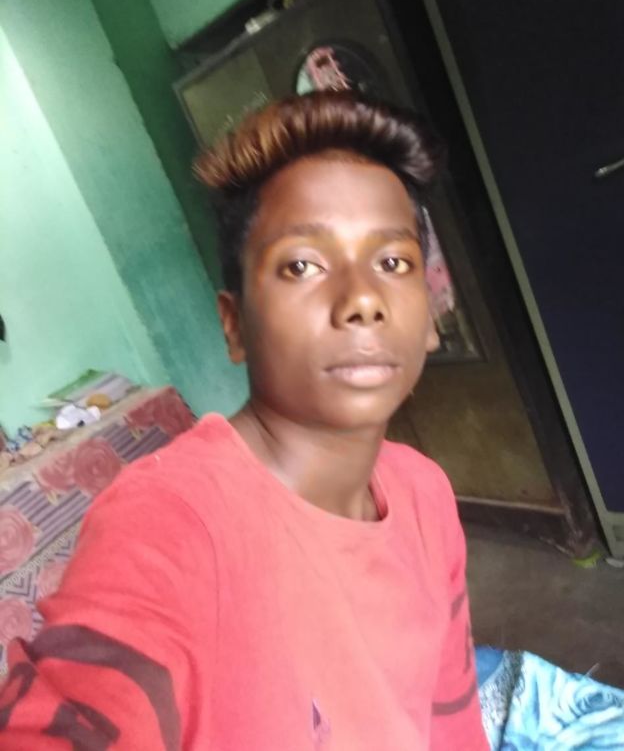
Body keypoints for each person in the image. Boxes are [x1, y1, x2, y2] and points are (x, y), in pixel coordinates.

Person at [0, 92, 488, 750]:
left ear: (429, 314)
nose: (362, 299)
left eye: (392, 263)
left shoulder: (425, 492)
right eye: (303, 265)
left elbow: (452, 720)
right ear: (234, 326)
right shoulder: (173, 524)